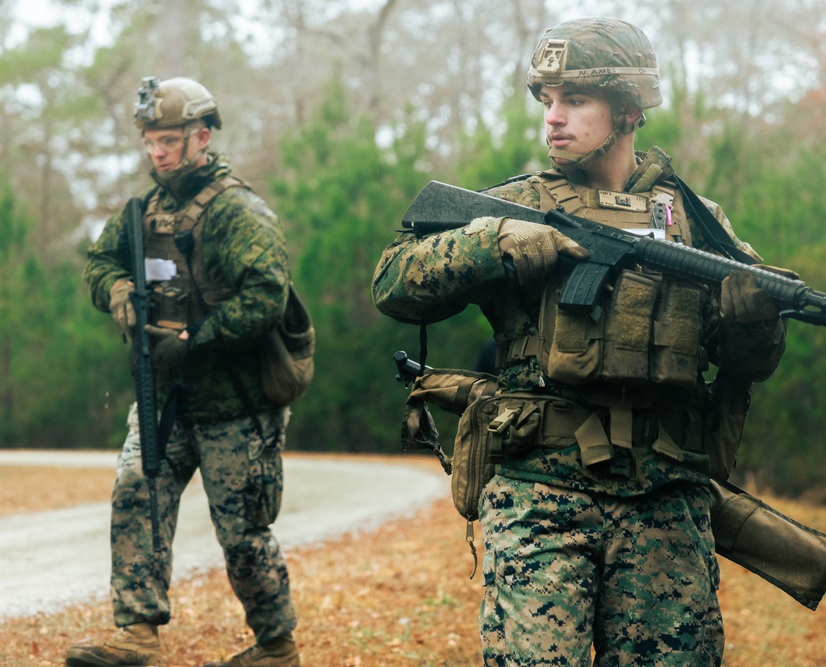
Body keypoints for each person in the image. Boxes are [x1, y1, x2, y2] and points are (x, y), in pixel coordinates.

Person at [372, 17, 789, 666]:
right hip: (541, 490)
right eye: (547, 100)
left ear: (627, 111)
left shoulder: (695, 224)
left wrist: (755, 321)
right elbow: (393, 281)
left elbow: (750, 363)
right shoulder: (513, 207)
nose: (553, 118)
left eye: (575, 99)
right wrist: (492, 245)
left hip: (665, 500)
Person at [67, 77, 301, 667]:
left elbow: (267, 296)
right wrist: (120, 291)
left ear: (201, 137)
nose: (158, 153)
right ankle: (137, 633)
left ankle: (276, 647)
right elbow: (99, 262)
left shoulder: (237, 211)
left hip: (237, 404)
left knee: (243, 534)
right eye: (150, 141)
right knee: (134, 493)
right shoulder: (142, 211)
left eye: (168, 140)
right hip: (164, 398)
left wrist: (198, 340)